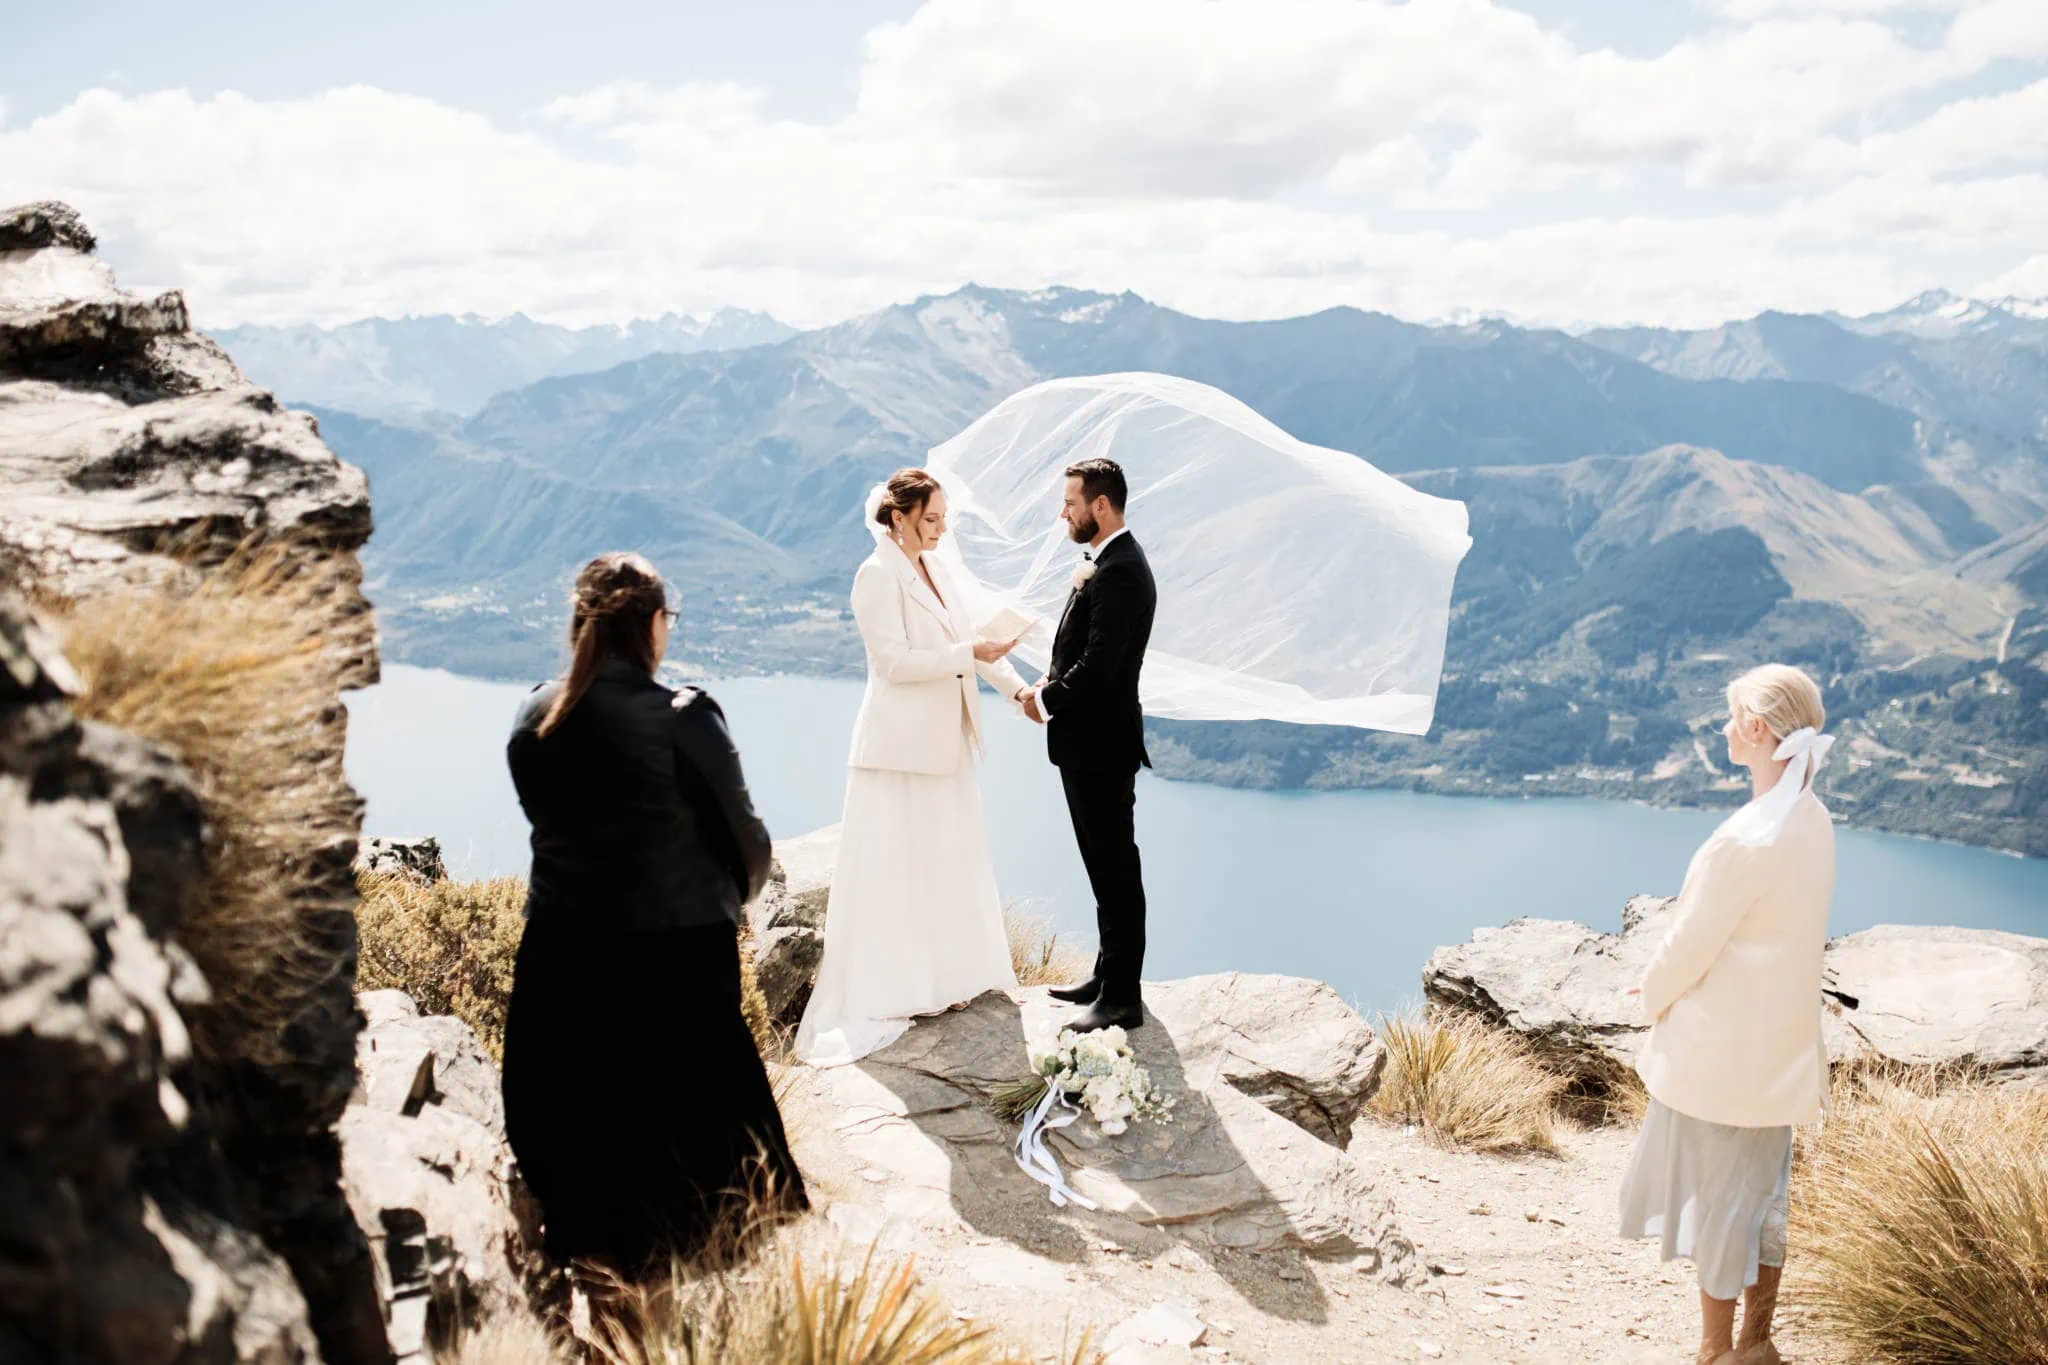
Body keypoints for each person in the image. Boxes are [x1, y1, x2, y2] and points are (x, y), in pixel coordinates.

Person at [502, 551, 806, 1274]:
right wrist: (723, 895)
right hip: (673, 980)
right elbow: (749, 846)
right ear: (650, 625)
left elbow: (543, 817)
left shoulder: (536, 714)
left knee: (590, 1179)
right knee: (672, 1187)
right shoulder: (683, 718)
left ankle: (604, 1330)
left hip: (559, 973)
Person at [1617, 664, 1837, 1365]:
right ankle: (1757, 1340)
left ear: (1758, 729)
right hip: (1783, 1052)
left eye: (1731, 717)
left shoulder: (1745, 838)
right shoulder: (1812, 817)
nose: (1722, 729)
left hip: (1722, 1056)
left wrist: (1648, 991)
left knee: (1720, 1206)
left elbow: (1692, 943)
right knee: (1765, 1199)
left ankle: (1716, 1353)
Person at [794, 470, 1033, 1066]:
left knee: (945, 859)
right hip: (897, 749)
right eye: (931, 519)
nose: (941, 529)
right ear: (898, 517)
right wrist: (966, 654)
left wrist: (1019, 691)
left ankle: (945, 981)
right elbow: (894, 662)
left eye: (943, 518)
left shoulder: (937, 568)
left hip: (943, 742)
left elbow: (971, 639)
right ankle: (896, 986)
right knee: (895, 866)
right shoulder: (876, 575)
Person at [1023, 458, 1159, 1034]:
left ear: (1100, 505)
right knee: (1104, 865)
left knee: (1115, 868)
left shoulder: (1122, 571)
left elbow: (1100, 666)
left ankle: (1123, 997)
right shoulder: (1106, 563)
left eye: (1071, 503)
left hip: (1101, 745)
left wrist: (1046, 700)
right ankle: (1107, 975)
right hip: (1090, 744)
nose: (1064, 513)